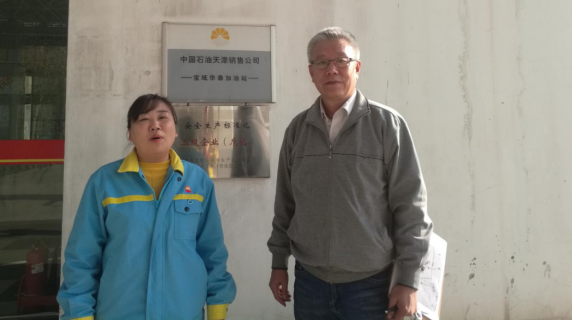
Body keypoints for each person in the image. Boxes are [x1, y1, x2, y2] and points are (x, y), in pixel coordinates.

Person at [267, 27, 432, 320]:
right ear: (311, 72)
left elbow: (411, 206)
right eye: (321, 62)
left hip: (371, 283)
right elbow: (286, 204)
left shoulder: (386, 125)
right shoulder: (297, 130)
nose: (331, 69)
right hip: (310, 281)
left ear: (357, 67)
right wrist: (278, 261)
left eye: (341, 61)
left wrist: (408, 279)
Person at [58, 94, 236, 320]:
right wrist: (79, 314)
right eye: (143, 119)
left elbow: (212, 252)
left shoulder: (198, 181)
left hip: (184, 313)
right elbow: (82, 257)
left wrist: (217, 309)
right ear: (130, 133)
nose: (155, 125)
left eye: (163, 117)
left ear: (175, 130)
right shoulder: (104, 182)